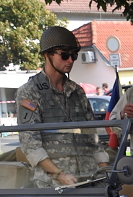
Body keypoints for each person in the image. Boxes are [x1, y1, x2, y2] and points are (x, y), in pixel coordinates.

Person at [16, 26, 110, 188]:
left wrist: (105, 172)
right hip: (53, 185)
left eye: (73, 55)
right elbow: (30, 144)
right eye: (64, 55)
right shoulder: (30, 92)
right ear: (47, 55)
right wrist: (59, 174)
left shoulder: (77, 92)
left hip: (88, 178)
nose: (70, 60)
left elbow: (92, 138)